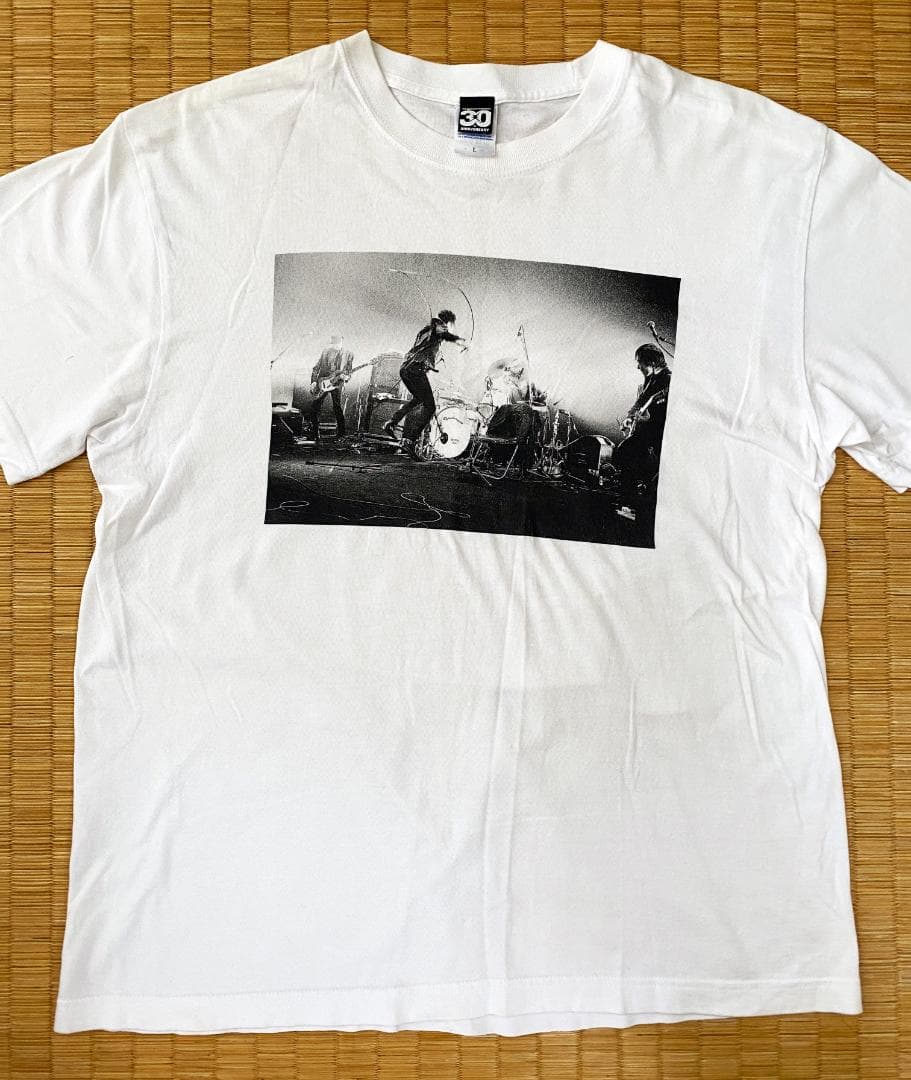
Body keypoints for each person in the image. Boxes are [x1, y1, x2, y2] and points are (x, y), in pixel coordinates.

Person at [383, 310, 465, 458]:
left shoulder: (425, 331)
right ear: (447, 322)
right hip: (415, 369)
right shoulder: (438, 327)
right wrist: (463, 342)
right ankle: (409, 440)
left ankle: (392, 422)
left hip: (406, 369)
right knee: (430, 406)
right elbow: (448, 335)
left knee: (418, 399)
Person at [612, 342, 672, 523]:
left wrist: (650, 419)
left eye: (640, 362)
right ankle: (632, 505)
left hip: (660, 434)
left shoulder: (669, 380)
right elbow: (641, 402)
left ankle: (633, 506)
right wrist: (630, 418)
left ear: (652, 362)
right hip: (647, 432)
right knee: (626, 453)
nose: (638, 367)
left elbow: (670, 414)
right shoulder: (651, 379)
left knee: (627, 453)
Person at [309, 335, 354, 444]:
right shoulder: (325, 352)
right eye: (334, 344)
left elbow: (349, 371)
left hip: (337, 384)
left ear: (342, 342)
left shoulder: (349, 354)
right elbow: (316, 368)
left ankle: (341, 434)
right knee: (315, 407)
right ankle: (315, 434)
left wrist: (346, 377)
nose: (336, 346)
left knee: (337, 407)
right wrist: (313, 381)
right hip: (323, 382)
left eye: (338, 344)